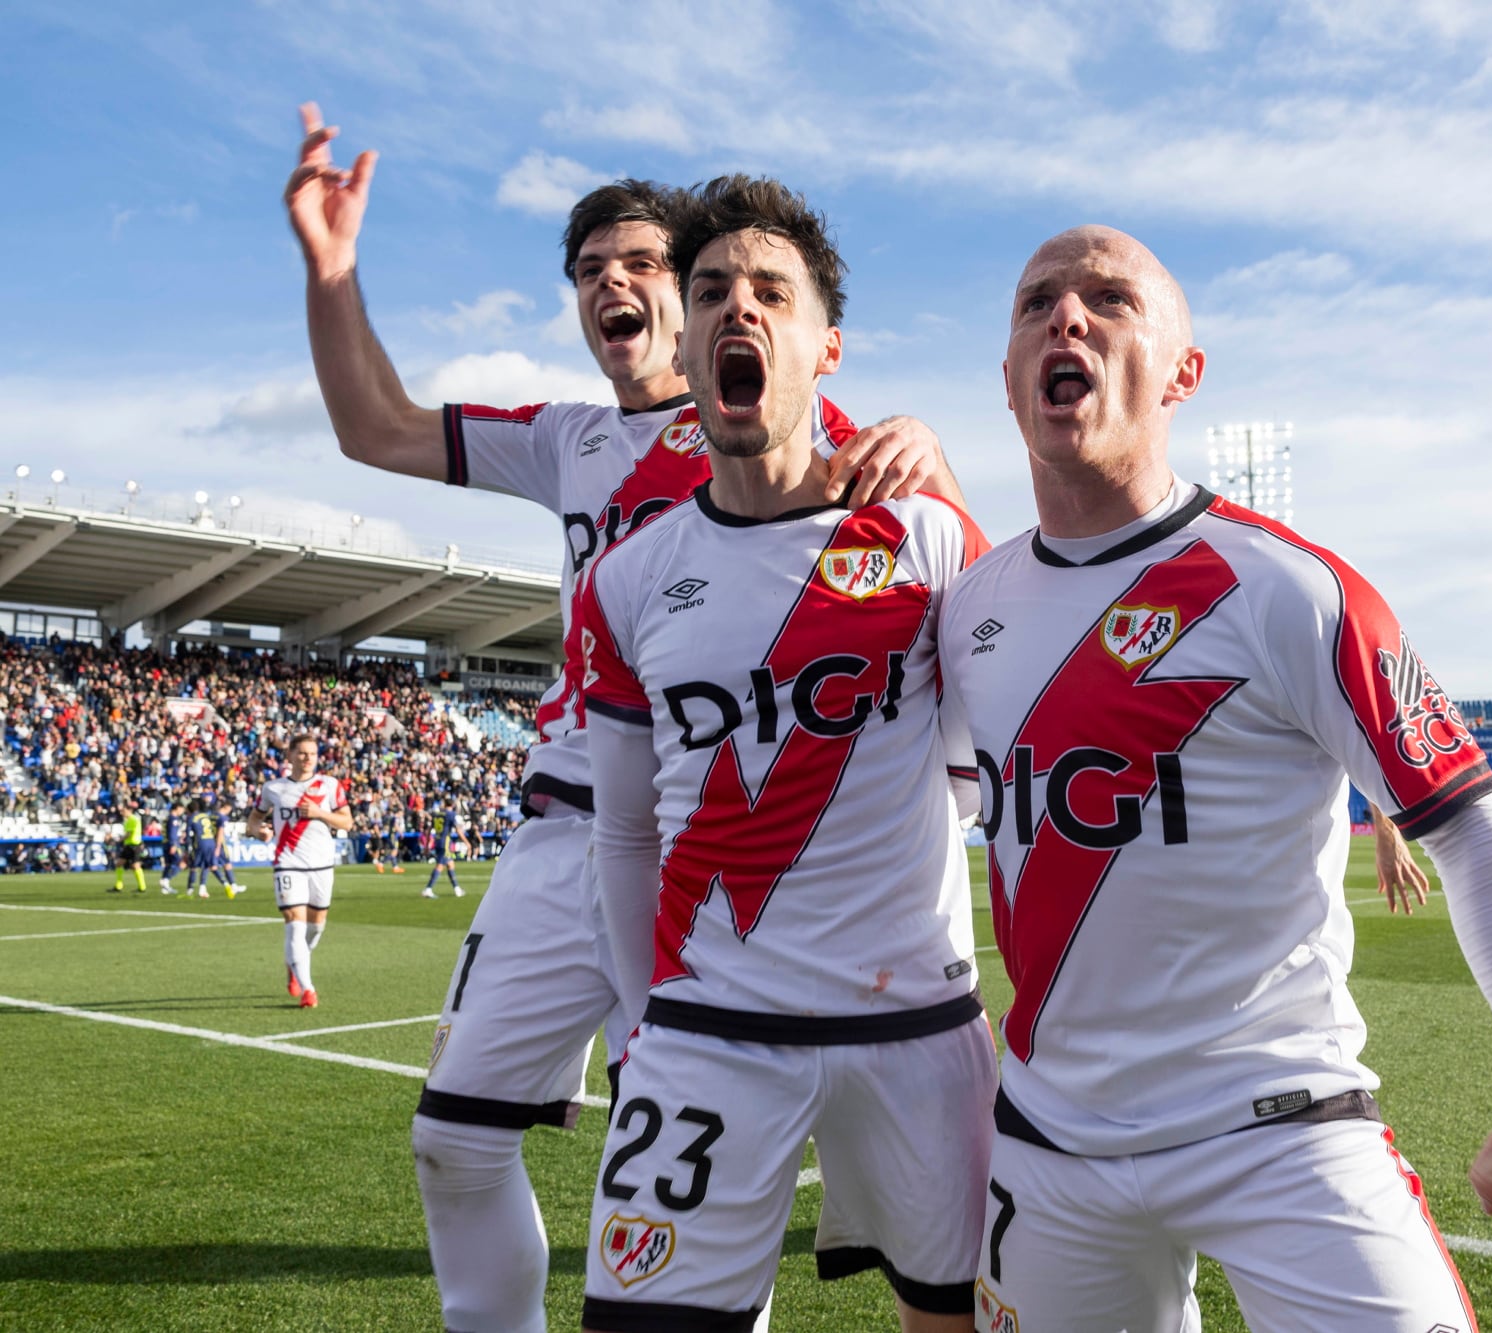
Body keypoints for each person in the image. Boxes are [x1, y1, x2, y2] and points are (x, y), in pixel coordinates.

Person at [285, 104, 962, 1333]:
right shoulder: (570, 441)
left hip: (746, 848)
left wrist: (929, 445)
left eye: (644, 263)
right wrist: (333, 271)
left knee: (752, 1165)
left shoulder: (813, 436)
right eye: (591, 270)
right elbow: (371, 428)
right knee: (452, 1137)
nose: (616, 284)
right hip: (579, 823)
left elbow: (950, 571)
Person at [941, 225, 1492, 1332]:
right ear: (1008, 378)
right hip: (1051, 1146)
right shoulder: (966, 609)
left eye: (1109, 298)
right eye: (1037, 301)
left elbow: (1473, 834)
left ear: (1184, 373)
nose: (1067, 316)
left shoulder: (1289, 591)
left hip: (1278, 1127)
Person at [577, 175, 994, 1333]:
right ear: (685, 330)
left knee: (949, 1320)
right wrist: (634, 1021)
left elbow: (1010, 737)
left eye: (770, 291)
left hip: (914, 1029)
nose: (735, 310)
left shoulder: (922, 534)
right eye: (708, 289)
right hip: (704, 1031)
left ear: (826, 347)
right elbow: (622, 830)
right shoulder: (628, 577)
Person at [246, 735, 353, 1009]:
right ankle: (308, 990)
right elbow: (255, 819)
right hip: (288, 862)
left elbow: (347, 822)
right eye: (302, 753)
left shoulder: (329, 785)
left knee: (315, 929)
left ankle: (294, 964)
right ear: (290, 756)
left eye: (313, 754)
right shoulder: (274, 788)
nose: (307, 759)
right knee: (295, 925)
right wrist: (258, 831)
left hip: (322, 864)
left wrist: (319, 813)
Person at [422, 802, 464, 899]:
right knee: (440, 866)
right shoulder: (450, 814)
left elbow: (428, 830)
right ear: (452, 805)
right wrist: (466, 842)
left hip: (437, 841)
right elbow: (457, 830)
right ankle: (428, 889)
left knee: (450, 864)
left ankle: (457, 889)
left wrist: (427, 846)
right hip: (445, 843)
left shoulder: (436, 814)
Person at [107, 808, 147, 893]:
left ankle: (142, 887)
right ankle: (119, 886)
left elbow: (129, 834)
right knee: (119, 864)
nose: (122, 813)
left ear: (129, 811)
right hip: (129, 845)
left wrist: (119, 840)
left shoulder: (132, 820)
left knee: (135, 866)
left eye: (123, 811)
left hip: (134, 846)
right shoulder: (129, 820)